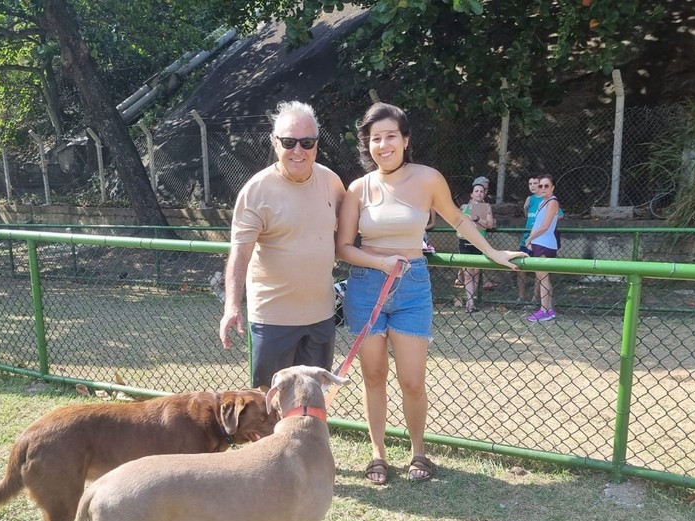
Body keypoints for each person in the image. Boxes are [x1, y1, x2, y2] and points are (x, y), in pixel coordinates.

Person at [336, 102, 525, 484]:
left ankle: (418, 452)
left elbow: (457, 218)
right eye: (375, 139)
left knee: (412, 380)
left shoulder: (427, 179)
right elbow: (343, 247)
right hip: (367, 286)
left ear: (405, 140)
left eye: (391, 136)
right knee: (373, 375)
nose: (383, 145)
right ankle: (378, 454)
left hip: (413, 287)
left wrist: (493, 251)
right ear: (367, 145)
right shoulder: (358, 188)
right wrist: (381, 264)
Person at [219, 101, 345, 388]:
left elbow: (351, 233)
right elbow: (240, 254)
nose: (298, 151)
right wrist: (231, 307)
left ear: (317, 145)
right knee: (269, 406)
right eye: (288, 142)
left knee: (312, 406)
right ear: (275, 143)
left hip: (321, 315)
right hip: (273, 319)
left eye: (306, 142)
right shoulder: (256, 191)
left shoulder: (332, 183)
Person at [524, 173, 560, 322]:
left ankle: (545, 310)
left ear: (552, 187)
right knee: (541, 276)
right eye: (541, 186)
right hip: (538, 243)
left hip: (546, 243)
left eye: (546, 186)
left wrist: (530, 238)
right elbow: (536, 225)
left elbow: (545, 226)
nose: (543, 188)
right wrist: (530, 241)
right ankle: (546, 308)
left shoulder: (553, 202)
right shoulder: (541, 203)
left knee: (543, 277)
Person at [458, 180, 495, 313]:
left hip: (480, 242)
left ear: (484, 193)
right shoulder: (464, 207)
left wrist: (477, 218)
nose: (479, 193)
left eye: (481, 191)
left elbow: (489, 225)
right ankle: (470, 301)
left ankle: (472, 299)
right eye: (476, 191)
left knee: (476, 273)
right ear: (471, 194)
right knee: (467, 273)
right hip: (466, 242)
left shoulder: (487, 207)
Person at [518, 175, 541, 303]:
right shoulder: (530, 199)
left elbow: (558, 215)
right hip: (526, 238)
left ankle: (535, 298)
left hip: (539, 239)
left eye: (535, 183)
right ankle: (522, 296)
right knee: (520, 268)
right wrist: (525, 208)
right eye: (530, 183)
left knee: (539, 270)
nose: (532, 185)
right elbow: (528, 216)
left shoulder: (546, 199)